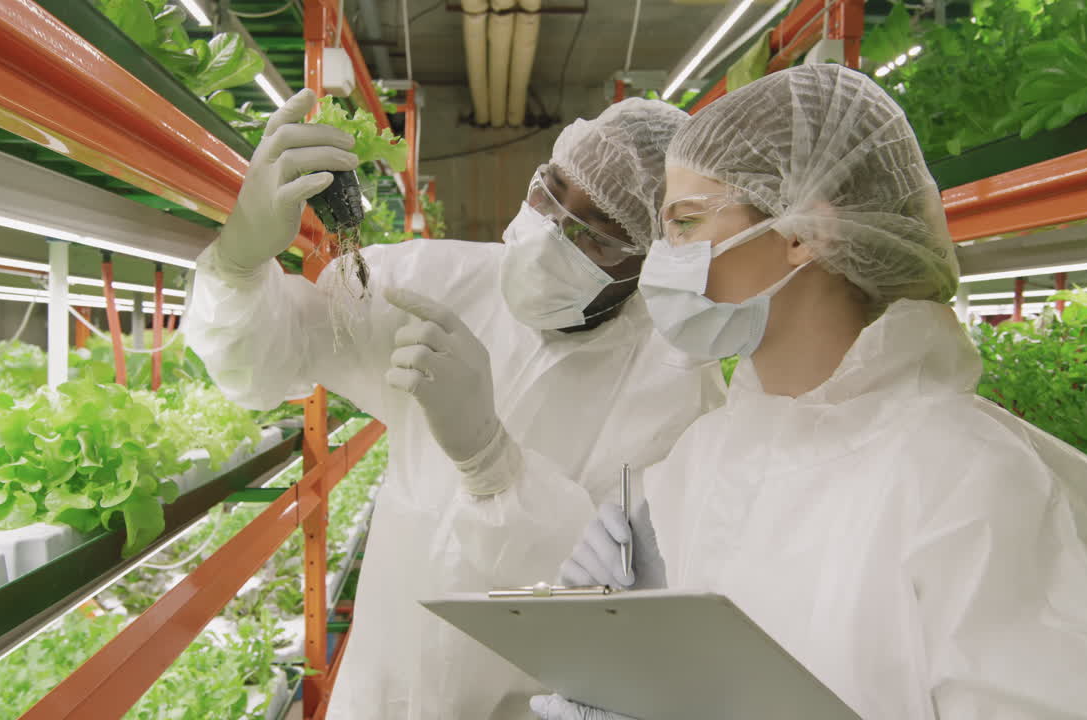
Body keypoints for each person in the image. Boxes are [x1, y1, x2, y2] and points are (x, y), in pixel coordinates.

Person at [537, 64, 1087, 720]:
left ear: (805, 231)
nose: (664, 257)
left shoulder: (965, 480)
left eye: (685, 223)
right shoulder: (705, 456)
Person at [184, 91, 725, 719]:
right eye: (548, 193)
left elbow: (618, 601)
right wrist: (240, 262)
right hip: (378, 696)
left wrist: (493, 463)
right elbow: (261, 358)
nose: (550, 234)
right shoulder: (434, 281)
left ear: (650, 255)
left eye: (593, 234)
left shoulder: (675, 388)